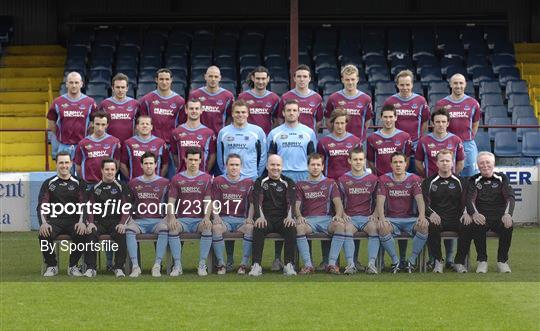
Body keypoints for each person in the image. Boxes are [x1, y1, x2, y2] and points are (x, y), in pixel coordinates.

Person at [454, 152, 515, 273]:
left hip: (499, 218)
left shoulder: (502, 178)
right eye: (482, 163)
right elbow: (470, 200)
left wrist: (508, 214)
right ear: (477, 165)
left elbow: (510, 197)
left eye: (488, 162)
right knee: (477, 223)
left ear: (493, 164)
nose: (485, 165)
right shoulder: (473, 180)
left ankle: (502, 261)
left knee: (508, 225)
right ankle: (482, 261)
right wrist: (475, 214)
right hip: (482, 217)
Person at [329, 147, 380, 274]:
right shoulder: (342, 179)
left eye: (361, 159)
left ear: (364, 161)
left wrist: (375, 214)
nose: (358, 162)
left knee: (375, 228)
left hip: (367, 217)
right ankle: (351, 264)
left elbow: (379, 200)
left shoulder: (373, 179)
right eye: (355, 159)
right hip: (350, 218)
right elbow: (337, 201)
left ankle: (371, 264)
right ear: (349, 161)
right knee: (346, 229)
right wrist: (343, 214)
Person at [375, 152, 428, 273]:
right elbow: (380, 200)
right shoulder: (384, 179)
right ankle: (395, 262)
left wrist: (422, 216)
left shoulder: (414, 179)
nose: (398, 165)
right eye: (395, 162)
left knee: (424, 226)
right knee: (382, 227)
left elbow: (420, 199)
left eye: (401, 162)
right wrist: (382, 218)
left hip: (410, 219)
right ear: (391, 165)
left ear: (406, 164)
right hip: (391, 219)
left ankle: (412, 261)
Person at [125, 152, 176, 277]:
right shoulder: (133, 183)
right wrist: (129, 219)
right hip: (139, 221)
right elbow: (127, 204)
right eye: (146, 163)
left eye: (151, 163)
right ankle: (136, 267)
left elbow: (170, 203)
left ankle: (157, 265)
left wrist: (168, 218)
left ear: (156, 165)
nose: (148, 166)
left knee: (165, 229)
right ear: (141, 165)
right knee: (129, 230)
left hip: (158, 221)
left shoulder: (165, 182)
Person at [38, 151, 88, 277]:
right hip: (54, 221)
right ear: (56, 164)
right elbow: (42, 205)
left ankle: (73, 266)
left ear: (71, 164)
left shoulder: (79, 182)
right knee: (44, 234)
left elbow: (85, 204)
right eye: (61, 163)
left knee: (81, 232)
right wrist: (43, 224)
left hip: (74, 221)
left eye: (66, 162)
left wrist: (82, 222)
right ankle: (52, 266)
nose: (64, 165)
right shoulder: (49, 183)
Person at [166, 147, 214, 276]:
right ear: (185, 159)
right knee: (173, 228)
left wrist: (206, 217)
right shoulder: (176, 178)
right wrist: (172, 218)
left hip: (199, 220)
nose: (193, 162)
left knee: (207, 228)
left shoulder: (206, 178)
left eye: (195, 160)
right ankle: (177, 265)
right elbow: (171, 202)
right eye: (190, 159)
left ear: (200, 160)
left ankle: (202, 264)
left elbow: (208, 201)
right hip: (182, 220)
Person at [294, 153, 345, 274]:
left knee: (340, 226)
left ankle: (332, 264)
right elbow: (296, 206)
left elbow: (338, 204)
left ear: (323, 167)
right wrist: (299, 216)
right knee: (299, 227)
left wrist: (338, 215)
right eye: (312, 165)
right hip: (309, 221)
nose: (315, 167)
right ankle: (308, 265)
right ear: (308, 167)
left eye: (318, 165)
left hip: (326, 220)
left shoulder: (330, 183)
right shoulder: (301, 184)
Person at [248, 154, 297, 276]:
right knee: (258, 227)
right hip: (266, 218)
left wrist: (290, 216)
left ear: (282, 166)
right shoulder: (260, 181)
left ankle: (289, 265)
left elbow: (291, 200)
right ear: (267, 166)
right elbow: (257, 200)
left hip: (282, 219)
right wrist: (259, 216)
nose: (275, 168)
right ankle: (256, 265)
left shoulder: (288, 182)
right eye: (272, 164)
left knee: (291, 227)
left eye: (278, 165)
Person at [422, 150, 467, 273]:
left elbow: (467, 201)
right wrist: (431, 214)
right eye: (442, 161)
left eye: (448, 160)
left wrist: (466, 213)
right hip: (437, 217)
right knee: (432, 225)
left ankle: (459, 261)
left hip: (456, 218)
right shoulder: (429, 182)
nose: (445, 163)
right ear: (436, 163)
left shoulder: (461, 181)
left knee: (468, 225)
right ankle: (438, 261)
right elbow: (424, 204)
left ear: (452, 163)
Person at [210, 154, 255, 275]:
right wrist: (216, 217)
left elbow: (252, 203)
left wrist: (250, 218)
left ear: (241, 167)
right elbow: (213, 201)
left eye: (237, 165)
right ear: (226, 166)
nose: (234, 167)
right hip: (225, 220)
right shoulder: (218, 181)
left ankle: (243, 264)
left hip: (242, 220)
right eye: (231, 165)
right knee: (216, 228)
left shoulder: (249, 182)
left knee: (250, 227)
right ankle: (221, 264)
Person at [85, 159, 130, 277]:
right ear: (102, 170)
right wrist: (90, 223)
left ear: (116, 171)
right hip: (99, 222)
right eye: (107, 169)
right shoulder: (95, 188)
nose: (110, 172)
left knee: (121, 233)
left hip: (116, 222)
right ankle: (91, 268)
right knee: (90, 233)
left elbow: (127, 207)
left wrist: (122, 223)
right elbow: (89, 207)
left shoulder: (122, 186)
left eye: (112, 169)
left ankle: (119, 267)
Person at [139, 68, 185, 177]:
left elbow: (182, 126)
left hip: (171, 147)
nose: (164, 82)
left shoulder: (179, 101)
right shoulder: (147, 100)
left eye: (167, 79)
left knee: (172, 179)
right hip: (152, 146)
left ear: (171, 80)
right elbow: (142, 123)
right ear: (156, 80)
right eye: (161, 79)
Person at [383, 69, 429, 172]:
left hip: (415, 145)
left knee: (415, 176)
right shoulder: (390, 101)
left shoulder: (421, 101)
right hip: (395, 145)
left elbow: (425, 121)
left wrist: (419, 137)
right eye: (402, 85)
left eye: (407, 85)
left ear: (412, 85)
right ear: (397, 85)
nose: (405, 88)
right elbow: (386, 121)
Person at [435, 74, 481, 177]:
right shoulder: (441, 104)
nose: (458, 86)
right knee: (448, 176)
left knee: (472, 176)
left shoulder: (473, 103)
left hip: (467, 144)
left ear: (465, 84)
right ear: (450, 84)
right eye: (455, 83)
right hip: (447, 145)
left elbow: (475, 124)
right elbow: (438, 123)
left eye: (461, 83)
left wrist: (468, 137)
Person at [47, 71, 96, 160]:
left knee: (82, 173)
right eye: (71, 82)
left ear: (81, 84)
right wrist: (59, 134)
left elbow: (95, 122)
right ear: (66, 84)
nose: (74, 85)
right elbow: (51, 121)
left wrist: (88, 135)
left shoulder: (90, 102)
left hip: (83, 145)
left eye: (76, 82)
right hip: (63, 146)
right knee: (64, 173)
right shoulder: (58, 102)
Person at [268, 99, 317, 182]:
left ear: (298, 113)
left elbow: (312, 157)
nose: (291, 113)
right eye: (288, 110)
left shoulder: (309, 133)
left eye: (294, 110)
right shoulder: (274, 133)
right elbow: (270, 156)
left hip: (303, 174)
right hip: (282, 173)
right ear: (283, 113)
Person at [217, 99, 267, 180]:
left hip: (251, 176)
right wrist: (225, 172)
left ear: (248, 114)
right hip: (229, 177)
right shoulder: (223, 132)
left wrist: (257, 173)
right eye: (237, 112)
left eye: (243, 112)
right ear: (232, 114)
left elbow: (263, 156)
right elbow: (220, 158)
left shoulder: (258, 132)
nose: (240, 115)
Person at [325, 64, 373, 143]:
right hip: (338, 143)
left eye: (352, 79)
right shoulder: (333, 98)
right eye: (347, 79)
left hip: (359, 144)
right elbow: (328, 121)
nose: (350, 82)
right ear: (342, 80)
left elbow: (367, 122)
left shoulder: (366, 99)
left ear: (357, 79)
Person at [73, 111, 121, 187]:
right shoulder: (83, 143)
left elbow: (117, 163)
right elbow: (78, 166)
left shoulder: (114, 142)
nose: (100, 128)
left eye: (103, 124)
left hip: (107, 183)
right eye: (97, 124)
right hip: (88, 184)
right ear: (92, 124)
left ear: (107, 125)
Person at [416, 108, 465, 178]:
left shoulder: (456, 140)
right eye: (438, 122)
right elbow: (418, 163)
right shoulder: (423, 141)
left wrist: (451, 176)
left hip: (450, 181)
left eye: (443, 122)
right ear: (433, 123)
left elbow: (460, 163)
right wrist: (428, 178)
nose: (441, 124)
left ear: (448, 123)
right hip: (431, 181)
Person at [170, 98, 216, 173]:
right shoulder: (176, 132)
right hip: (182, 176)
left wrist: (205, 172)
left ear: (201, 110)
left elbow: (212, 155)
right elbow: (174, 154)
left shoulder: (209, 133)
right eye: (191, 108)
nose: (194, 111)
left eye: (196, 108)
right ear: (186, 110)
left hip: (201, 177)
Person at [367, 104, 413, 177]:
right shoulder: (372, 138)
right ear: (381, 118)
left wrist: (399, 175)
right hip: (380, 180)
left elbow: (407, 159)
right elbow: (370, 161)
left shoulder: (405, 137)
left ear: (396, 117)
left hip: (399, 180)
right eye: (385, 117)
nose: (388, 120)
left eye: (391, 117)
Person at [188, 65, 235, 135]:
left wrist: (225, 131)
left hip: (219, 136)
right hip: (199, 136)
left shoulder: (228, 96)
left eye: (216, 77)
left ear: (220, 78)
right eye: (210, 76)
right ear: (205, 77)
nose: (213, 79)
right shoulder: (195, 95)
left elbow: (231, 116)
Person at [317, 107, 362, 180]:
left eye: (342, 123)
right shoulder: (323, 142)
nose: (340, 126)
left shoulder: (355, 142)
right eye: (337, 123)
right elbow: (319, 165)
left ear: (346, 123)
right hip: (330, 181)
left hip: (349, 182)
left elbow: (360, 164)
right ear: (332, 123)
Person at [276, 64, 324, 132]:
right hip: (289, 138)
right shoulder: (286, 97)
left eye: (305, 76)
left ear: (309, 79)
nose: (302, 79)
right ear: (294, 78)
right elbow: (280, 119)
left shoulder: (317, 98)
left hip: (308, 138)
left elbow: (319, 122)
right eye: (299, 76)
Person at [120, 115, 168, 180]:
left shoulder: (160, 143)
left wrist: (158, 179)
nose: (144, 126)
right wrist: (131, 179)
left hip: (155, 184)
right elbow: (122, 164)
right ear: (137, 127)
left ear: (151, 127)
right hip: (136, 184)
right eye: (142, 124)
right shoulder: (128, 143)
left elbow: (165, 165)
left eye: (147, 124)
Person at [97, 73, 139, 143]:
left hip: (129, 145)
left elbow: (140, 125)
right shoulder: (104, 104)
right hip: (109, 145)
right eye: (117, 87)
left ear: (127, 88)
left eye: (123, 87)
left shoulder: (135, 104)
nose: (120, 90)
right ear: (113, 88)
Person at [237, 66, 280, 135]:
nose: (260, 82)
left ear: (268, 79)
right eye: (258, 78)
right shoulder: (243, 97)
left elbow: (276, 121)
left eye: (263, 79)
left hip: (266, 138)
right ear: (253, 78)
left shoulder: (274, 98)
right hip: (246, 138)